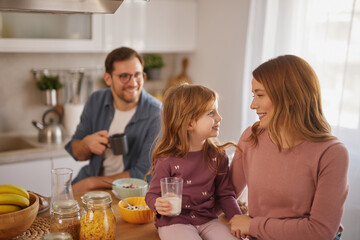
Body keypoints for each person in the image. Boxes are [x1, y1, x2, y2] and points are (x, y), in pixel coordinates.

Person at [229, 55, 349, 240]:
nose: (253, 105)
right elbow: (226, 193)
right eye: (254, 95)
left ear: (290, 97)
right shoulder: (251, 137)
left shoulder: (332, 153)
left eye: (260, 95)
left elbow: (320, 231)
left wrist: (253, 225)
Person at [145, 84, 242, 240]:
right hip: (174, 222)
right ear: (189, 124)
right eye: (211, 113)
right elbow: (152, 194)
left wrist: (238, 218)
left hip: (208, 219)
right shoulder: (166, 159)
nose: (219, 118)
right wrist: (157, 203)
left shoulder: (218, 155)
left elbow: (225, 194)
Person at [65, 47, 162, 193]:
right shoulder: (96, 100)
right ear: (108, 79)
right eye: (124, 76)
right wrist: (86, 144)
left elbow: (144, 174)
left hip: (127, 193)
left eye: (137, 75)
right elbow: (77, 153)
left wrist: (91, 183)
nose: (133, 83)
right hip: (87, 182)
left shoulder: (157, 113)